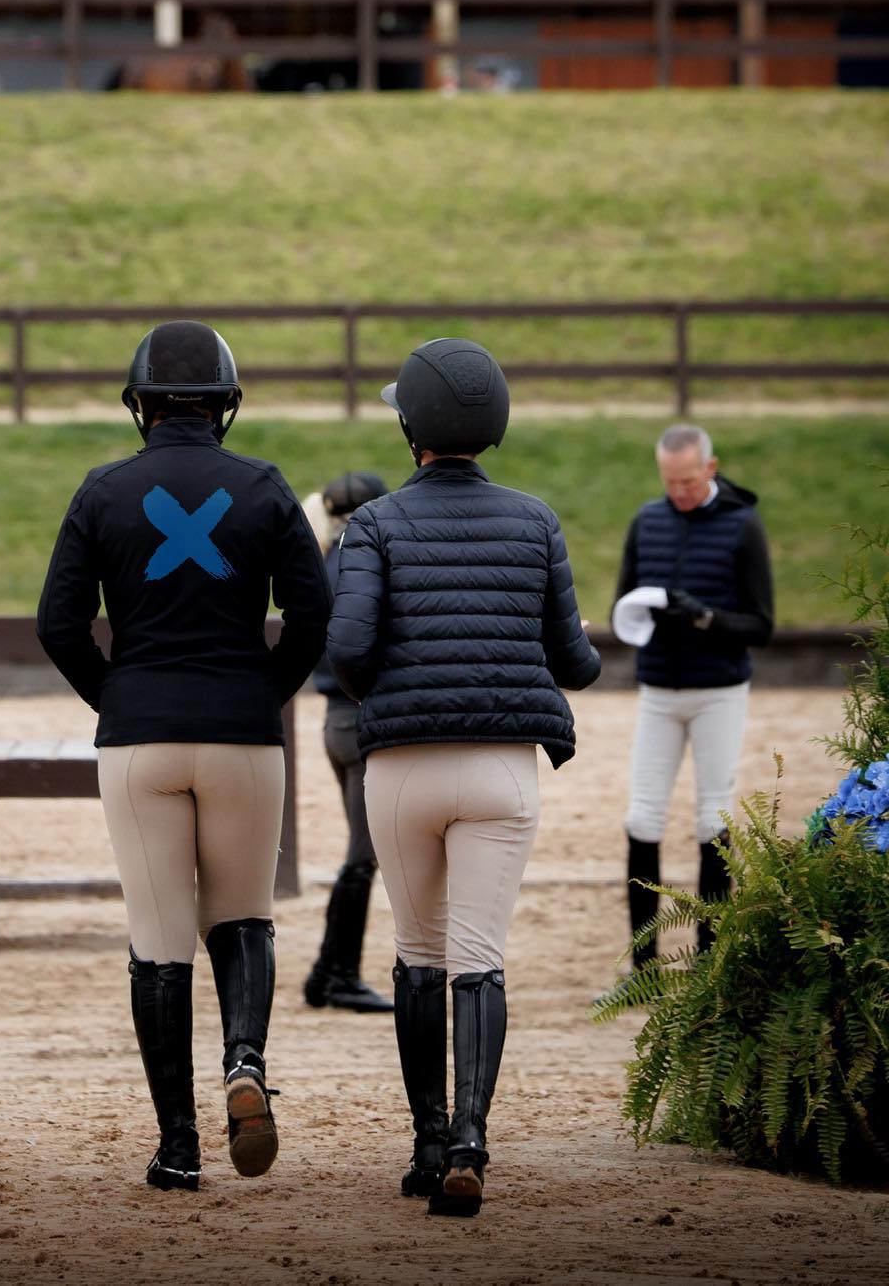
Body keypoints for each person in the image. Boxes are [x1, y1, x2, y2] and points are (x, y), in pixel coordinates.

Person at [35, 320, 330, 1193]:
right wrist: (261, 691)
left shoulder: (102, 490)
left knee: (159, 942)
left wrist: (117, 697)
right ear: (225, 406)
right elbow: (314, 619)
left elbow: (57, 624)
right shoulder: (266, 487)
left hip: (140, 738)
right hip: (243, 734)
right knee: (242, 917)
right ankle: (245, 1062)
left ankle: (178, 1147)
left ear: (142, 405)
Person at [328, 338, 600, 1220]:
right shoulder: (537, 520)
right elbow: (576, 663)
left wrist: (403, 693)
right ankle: (474, 1143)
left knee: (418, 956)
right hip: (501, 770)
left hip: (403, 767)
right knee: (481, 959)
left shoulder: (371, 525)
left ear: (411, 429)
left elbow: (349, 648)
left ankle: (427, 1141)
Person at [614, 422, 774, 967]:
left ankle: (710, 962)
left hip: (718, 691)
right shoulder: (647, 520)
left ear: (709, 468)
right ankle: (644, 967)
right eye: (669, 482)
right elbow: (623, 600)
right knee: (641, 819)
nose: (678, 492)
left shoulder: (742, 526)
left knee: (713, 818)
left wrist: (704, 618)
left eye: (686, 481)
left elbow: (762, 622)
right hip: (659, 687)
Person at [302, 468, 394, 1014]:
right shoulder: (359, 564)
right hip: (358, 718)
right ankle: (334, 973)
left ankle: (329, 972)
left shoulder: (324, 560)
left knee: (361, 852)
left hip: (335, 723)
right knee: (363, 855)